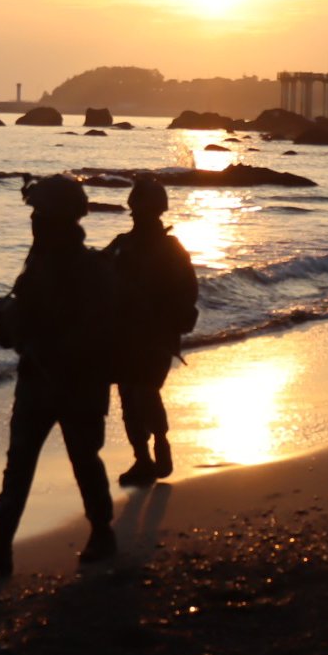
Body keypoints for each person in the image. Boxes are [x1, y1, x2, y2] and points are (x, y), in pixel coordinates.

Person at [0, 174, 115, 575]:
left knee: (82, 460)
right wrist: (9, 320)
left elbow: (78, 327)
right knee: (21, 462)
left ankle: (102, 534)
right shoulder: (45, 263)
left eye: (40, 213)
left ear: (58, 219)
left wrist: (16, 324)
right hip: (42, 380)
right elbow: (23, 321)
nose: (34, 221)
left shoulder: (81, 269)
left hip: (74, 382)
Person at [105, 176, 198, 488]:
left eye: (141, 209)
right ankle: (142, 459)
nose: (135, 215)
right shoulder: (121, 245)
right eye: (134, 209)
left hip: (156, 337)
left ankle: (160, 441)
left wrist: (170, 324)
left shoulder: (171, 249)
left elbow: (188, 293)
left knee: (144, 392)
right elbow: (93, 276)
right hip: (122, 337)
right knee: (129, 399)